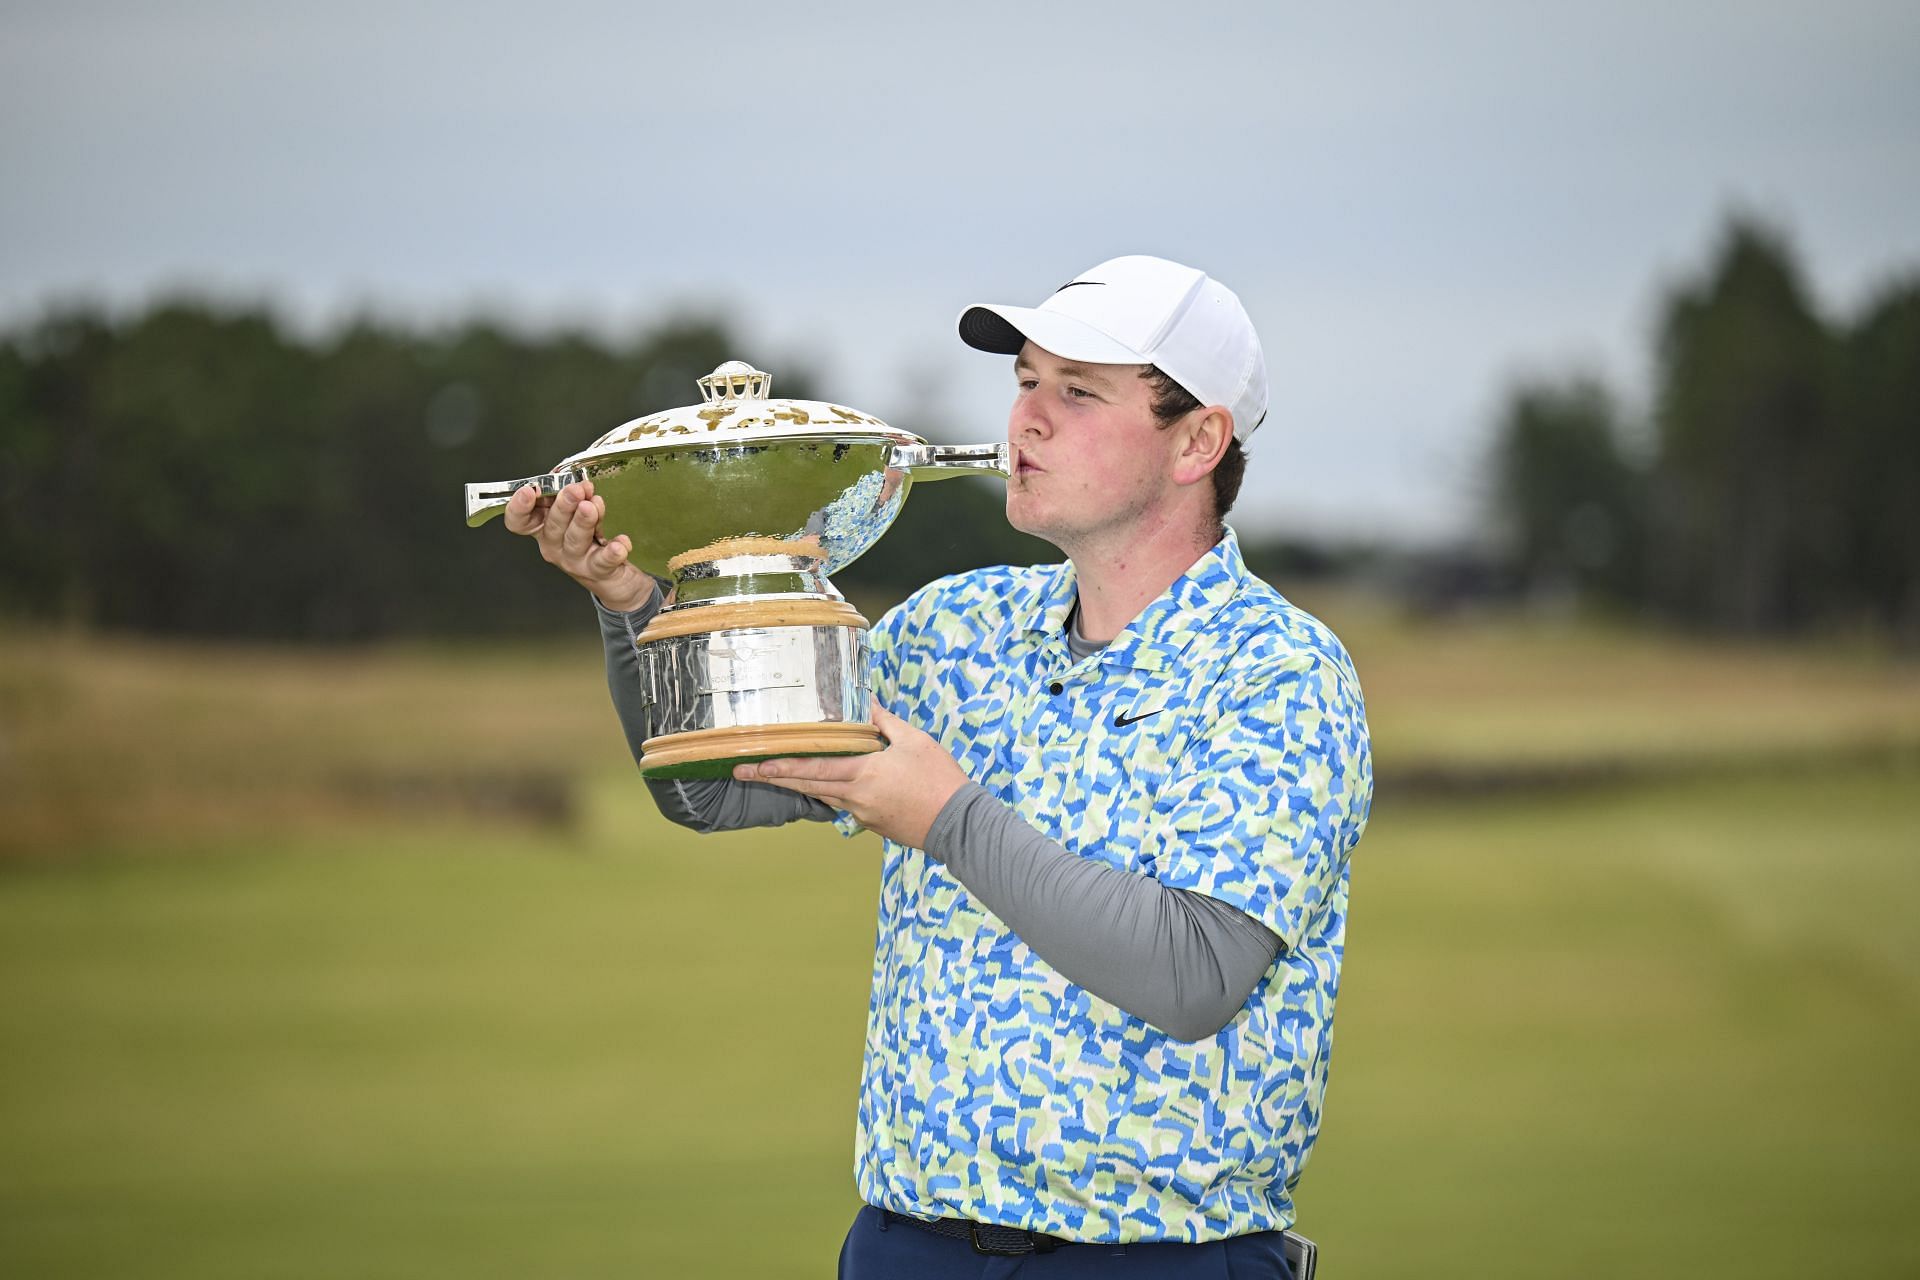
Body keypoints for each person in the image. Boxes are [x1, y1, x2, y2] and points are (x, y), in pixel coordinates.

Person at [503, 255, 1371, 1278]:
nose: (1028, 421)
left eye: (1079, 393)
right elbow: (705, 786)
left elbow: (1191, 976)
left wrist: (947, 815)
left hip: (1156, 1257)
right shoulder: (957, 625)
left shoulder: (1281, 669)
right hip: (905, 1245)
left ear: (1199, 440)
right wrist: (630, 603)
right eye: (1025, 383)